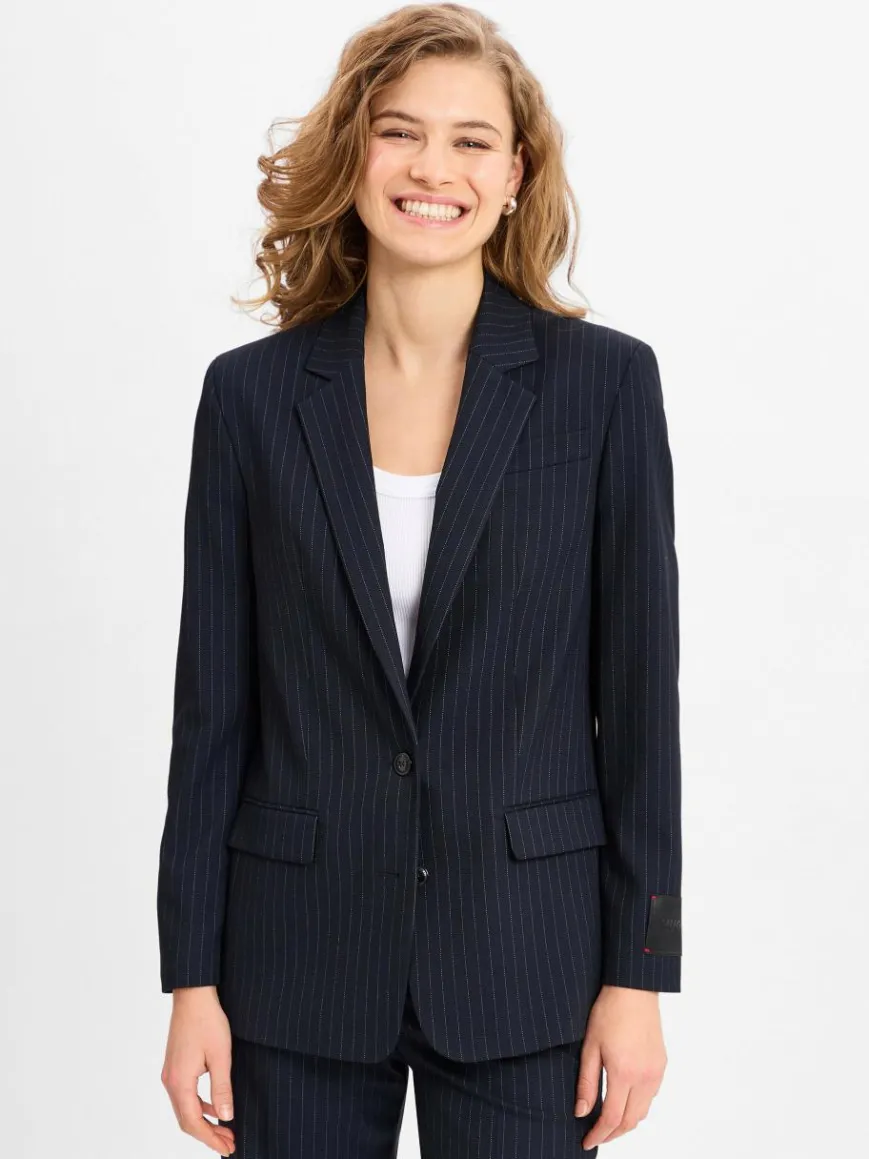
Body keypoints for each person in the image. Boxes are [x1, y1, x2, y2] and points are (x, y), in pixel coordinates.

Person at [157, 4, 682, 1156]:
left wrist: (638, 974)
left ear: (513, 174)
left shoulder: (601, 388)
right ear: (353, 153)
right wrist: (191, 977)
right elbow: (212, 716)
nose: (431, 169)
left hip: (525, 959)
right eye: (399, 132)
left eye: (469, 140)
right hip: (295, 961)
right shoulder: (250, 399)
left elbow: (640, 709)